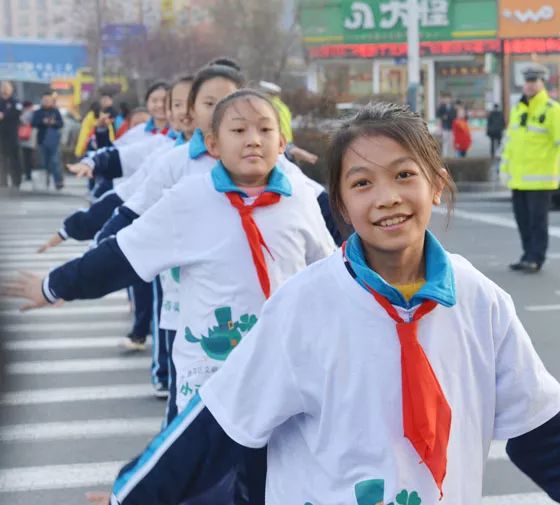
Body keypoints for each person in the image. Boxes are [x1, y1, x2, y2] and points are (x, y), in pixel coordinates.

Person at [42, 102, 560, 505]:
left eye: (404, 175)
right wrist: (136, 494)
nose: (387, 197)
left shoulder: (480, 301)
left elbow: (544, 428)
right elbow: (219, 425)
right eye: (362, 183)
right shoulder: (305, 307)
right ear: (340, 204)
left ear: (436, 184)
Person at [3, 89, 336, 505]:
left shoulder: (303, 200)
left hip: (284, 372)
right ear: (212, 144)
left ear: (281, 143)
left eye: (265, 130)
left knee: (275, 479)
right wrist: (55, 285)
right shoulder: (190, 199)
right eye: (239, 130)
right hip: (211, 376)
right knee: (198, 480)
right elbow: (123, 253)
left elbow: (333, 275)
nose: (253, 139)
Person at [500, 64, 560, 273]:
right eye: (527, 81)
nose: (530, 86)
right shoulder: (518, 109)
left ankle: (536, 257)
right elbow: (509, 143)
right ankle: (527, 255)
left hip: (540, 180)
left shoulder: (552, 110)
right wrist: (503, 169)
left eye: (534, 81)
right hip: (518, 179)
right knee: (522, 221)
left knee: (537, 222)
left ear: (542, 83)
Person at [32, 92, 65, 190]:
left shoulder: (56, 111)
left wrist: (53, 122)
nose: (46, 102)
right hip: (42, 140)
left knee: (55, 162)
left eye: (48, 100)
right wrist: (43, 122)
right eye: (45, 100)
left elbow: (61, 124)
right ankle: (44, 182)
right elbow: (33, 123)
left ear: (52, 101)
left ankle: (58, 181)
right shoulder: (38, 112)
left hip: (54, 141)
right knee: (43, 162)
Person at [0, 80, 22, 188]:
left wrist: (4, 115)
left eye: (7, 87)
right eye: (3, 87)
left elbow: (17, 113)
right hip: (1, 135)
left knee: (14, 158)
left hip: (12, 134)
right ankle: (2, 181)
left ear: (11, 89)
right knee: (2, 158)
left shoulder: (15, 102)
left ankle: (16, 181)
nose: (4, 89)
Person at [18, 100, 36, 182]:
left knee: (26, 158)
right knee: (29, 158)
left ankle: (27, 174)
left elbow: (21, 121)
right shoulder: (32, 113)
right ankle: (28, 174)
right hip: (30, 140)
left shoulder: (23, 114)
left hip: (24, 139)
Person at [436, 93, 457, 157]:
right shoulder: (442, 106)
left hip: (451, 126)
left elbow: (454, 116)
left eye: (448, 98)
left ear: (450, 99)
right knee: (445, 141)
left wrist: (447, 117)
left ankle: (452, 155)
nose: (447, 100)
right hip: (444, 126)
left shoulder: (453, 107)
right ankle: (445, 155)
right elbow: (438, 115)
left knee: (451, 141)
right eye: (446, 99)